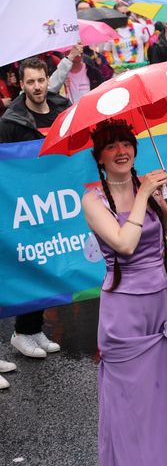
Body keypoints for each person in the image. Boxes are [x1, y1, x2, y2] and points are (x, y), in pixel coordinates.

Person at [81, 120, 167, 466]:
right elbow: (124, 244)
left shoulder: (146, 188)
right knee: (132, 399)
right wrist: (143, 195)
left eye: (126, 144)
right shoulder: (92, 200)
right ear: (99, 157)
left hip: (163, 305)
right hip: (124, 315)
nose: (121, 152)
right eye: (111, 146)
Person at [0, 57, 69, 357]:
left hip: (57, 204)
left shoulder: (62, 109)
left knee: (49, 264)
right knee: (29, 268)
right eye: (30, 82)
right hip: (25, 207)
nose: (37, 86)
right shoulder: (10, 121)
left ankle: (32, 328)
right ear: (22, 84)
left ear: (47, 79)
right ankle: (21, 332)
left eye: (41, 80)